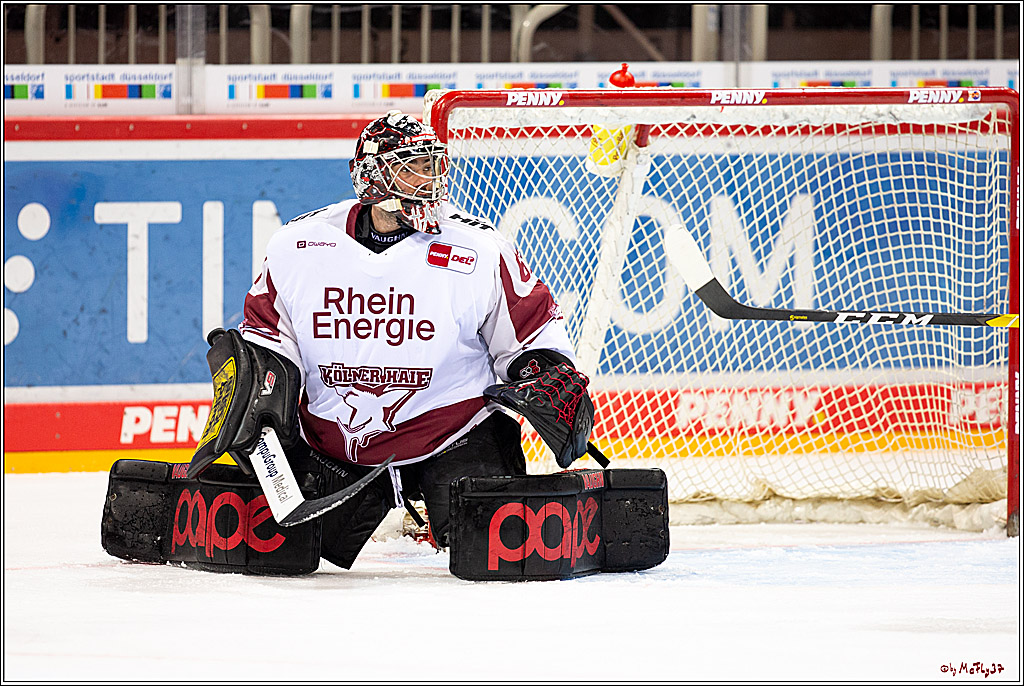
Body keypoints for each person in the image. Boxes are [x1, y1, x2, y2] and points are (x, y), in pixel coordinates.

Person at [237, 110, 591, 570]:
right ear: (370, 175)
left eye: (434, 164)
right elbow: (266, 339)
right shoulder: (298, 245)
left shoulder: (478, 247)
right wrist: (258, 404)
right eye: (414, 165)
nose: (431, 178)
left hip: (452, 435)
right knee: (284, 556)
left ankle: (432, 496)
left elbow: (530, 328)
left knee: (498, 555)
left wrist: (539, 370)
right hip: (334, 446)